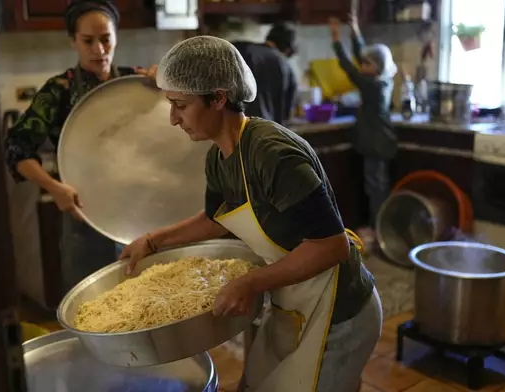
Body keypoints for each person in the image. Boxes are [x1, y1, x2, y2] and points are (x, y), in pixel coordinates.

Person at [120, 36, 382, 392]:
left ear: (218, 98)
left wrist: (250, 282)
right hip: (294, 301)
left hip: (342, 313)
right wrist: (152, 241)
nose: (173, 119)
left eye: (180, 105)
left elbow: (331, 246)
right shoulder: (219, 156)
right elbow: (215, 219)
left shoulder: (273, 154)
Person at [4, 0, 156, 292]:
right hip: (85, 215)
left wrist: (165, 82)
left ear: (116, 37)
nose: (99, 50)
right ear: (73, 40)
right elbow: (16, 147)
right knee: (94, 305)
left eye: (106, 39)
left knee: (145, 299)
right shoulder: (58, 91)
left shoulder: (135, 82)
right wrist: (54, 187)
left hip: (141, 212)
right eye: (88, 41)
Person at [330, 15, 398, 240]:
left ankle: (379, 231)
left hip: (375, 144)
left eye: (367, 64)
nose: (363, 65)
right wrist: (355, 30)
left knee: (376, 189)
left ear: (376, 67)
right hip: (380, 142)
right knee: (377, 187)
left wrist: (336, 39)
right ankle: (378, 228)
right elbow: (361, 58)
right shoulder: (383, 80)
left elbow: (348, 67)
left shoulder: (371, 85)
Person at [231, 22, 298, 124]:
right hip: (264, 131)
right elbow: (286, 113)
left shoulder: (238, 49)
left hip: (229, 127)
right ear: (287, 49)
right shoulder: (283, 63)